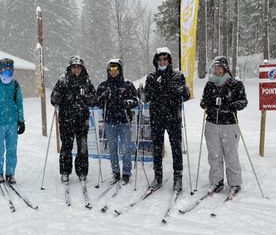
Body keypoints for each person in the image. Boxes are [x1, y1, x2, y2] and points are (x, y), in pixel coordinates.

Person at [200, 56, 248, 195]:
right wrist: (205, 103)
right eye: (215, 67)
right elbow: (204, 100)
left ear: (225, 68)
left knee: (231, 155)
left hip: (229, 124)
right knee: (214, 155)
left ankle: (235, 183)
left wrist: (232, 105)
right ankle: (217, 182)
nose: (216, 70)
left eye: (219, 67)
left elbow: (243, 101)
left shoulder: (235, 84)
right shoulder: (210, 84)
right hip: (212, 124)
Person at [144, 47, 190, 191]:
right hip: (157, 118)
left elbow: (186, 95)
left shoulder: (178, 76)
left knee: (176, 148)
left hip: (173, 118)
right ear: (156, 61)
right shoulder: (151, 77)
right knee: (157, 148)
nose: (162, 62)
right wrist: (142, 94)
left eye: (165, 59)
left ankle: (178, 177)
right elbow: (147, 98)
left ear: (169, 61)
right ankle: (158, 177)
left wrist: (183, 91)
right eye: (160, 60)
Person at [50, 56, 97, 183]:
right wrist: (56, 99)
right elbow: (53, 96)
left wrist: (90, 99)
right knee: (66, 146)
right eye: (74, 67)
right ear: (70, 68)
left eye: (78, 67)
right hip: (66, 119)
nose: (76, 69)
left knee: (82, 147)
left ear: (82, 68)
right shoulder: (63, 80)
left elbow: (94, 97)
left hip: (82, 119)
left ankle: (82, 171)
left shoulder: (86, 81)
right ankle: (65, 171)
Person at [96, 59, 138, 185]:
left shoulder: (127, 85)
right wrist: (102, 97)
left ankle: (126, 173)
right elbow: (96, 102)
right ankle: (115, 172)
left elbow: (135, 100)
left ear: (120, 70)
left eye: (116, 69)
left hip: (124, 121)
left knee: (125, 149)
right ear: (108, 71)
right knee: (112, 149)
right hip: (110, 122)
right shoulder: (103, 85)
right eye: (111, 69)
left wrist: (128, 103)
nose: (113, 72)